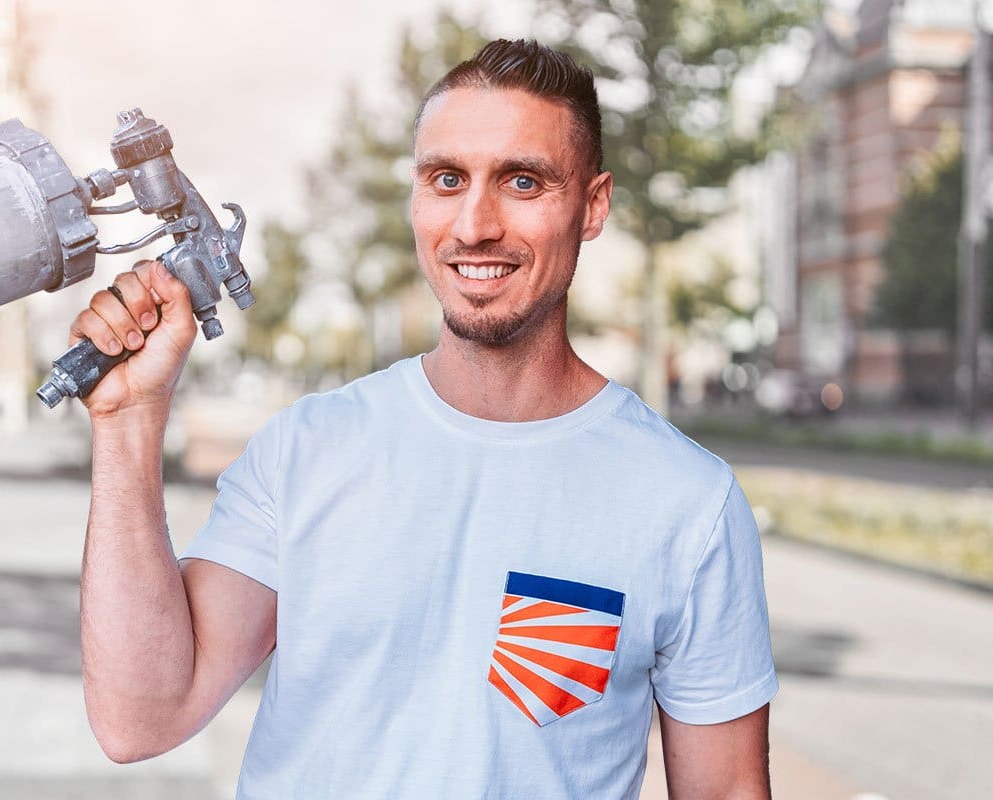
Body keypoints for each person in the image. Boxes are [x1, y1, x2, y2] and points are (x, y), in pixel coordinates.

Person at [72, 39, 777, 799]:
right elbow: (139, 719)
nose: (475, 224)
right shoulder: (308, 451)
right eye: (447, 179)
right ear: (416, 196)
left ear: (593, 204)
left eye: (522, 181)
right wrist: (128, 422)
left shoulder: (687, 503)